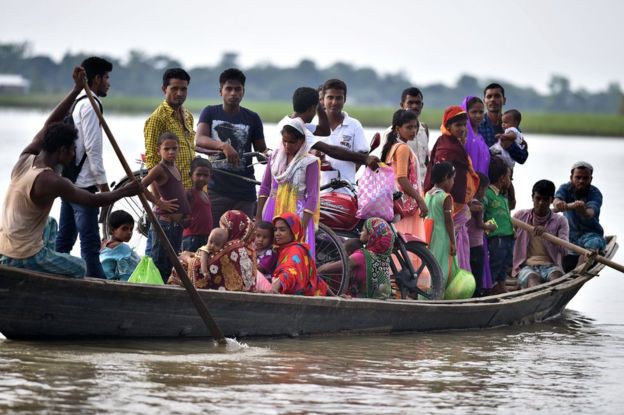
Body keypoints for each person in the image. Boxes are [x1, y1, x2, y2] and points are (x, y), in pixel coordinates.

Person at [0, 67, 141, 277]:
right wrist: (125, 191)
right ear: (62, 150)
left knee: (51, 223)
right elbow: (93, 201)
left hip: (6, 244)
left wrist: (76, 90)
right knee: (80, 267)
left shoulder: (26, 158)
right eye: (73, 150)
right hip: (23, 255)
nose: (74, 155)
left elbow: (50, 124)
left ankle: (46, 266)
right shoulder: (51, 180)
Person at [55, 57, 113, 279]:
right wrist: (104, 187)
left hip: (69, 182)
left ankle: (56, 283)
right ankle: (99, 290)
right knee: (90, 245)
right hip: (83, 186)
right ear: (96, 79)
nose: (108, 83)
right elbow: (92, 149)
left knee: (64, 240)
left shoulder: (78, 101)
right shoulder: (90, 103)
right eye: (106, 78)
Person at [195, 68, 267, 223]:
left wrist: (271, 154)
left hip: (245, 191)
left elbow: (262, 152)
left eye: (237, 89)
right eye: (229, 89)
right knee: (212, 237)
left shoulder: (253, 118)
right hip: (216, 188)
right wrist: (223, 146)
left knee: (243, 239)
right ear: (221, 91)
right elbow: (200, 139)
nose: (233, 93)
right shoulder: (210, 112)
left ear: (243, 92)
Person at [276, 86, 379, 181]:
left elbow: (324, 131)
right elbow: (330, 150)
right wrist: (365, 159)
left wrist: (320, 107)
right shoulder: (296, 129)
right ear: (312, 108)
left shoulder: (293, 123)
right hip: (286, 182)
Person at [424, 106, 479, 272]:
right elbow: (442, 176)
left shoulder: (451, 142)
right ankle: (453, 278)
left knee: (460, 240)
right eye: (458, 125)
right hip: (452, 204)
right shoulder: (446, 148)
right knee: (453, 243)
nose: (462, 129)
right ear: (448, 127)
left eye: (464, 125)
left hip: (457, 201)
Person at [256, 118, 320, 254]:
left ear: (302, 141)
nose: (287, 145)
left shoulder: (309, 162)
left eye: (292, 142)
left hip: (297, 214)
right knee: (268, 253)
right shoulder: (274, 158)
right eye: (284, 141)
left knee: (295, 254)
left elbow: (313, 196)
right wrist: (258, 217)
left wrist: (302, 226)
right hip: (272, 209)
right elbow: (265, 188)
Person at [141, 132, 190, 282]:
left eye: (174, 148)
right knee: (159, 262)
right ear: (158, 150)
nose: (171, 152)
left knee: (172, 262)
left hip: (176, 225)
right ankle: (155, 291)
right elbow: (140, 186)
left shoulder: (175, 167)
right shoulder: (159, 169)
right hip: (165, 224)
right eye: (167, 149)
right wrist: (159, 203)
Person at [171, 210, 257, 291]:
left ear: (230, 227)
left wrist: (187, 258)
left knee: (181, 264)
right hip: (244, 294)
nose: (222, 230)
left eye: (223, 227)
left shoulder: (233, 247)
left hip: (223, 297)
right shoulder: (249, 247)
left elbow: (203, 267)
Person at [310, 79, 369, 193]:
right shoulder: (312, 124)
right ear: (323, 99)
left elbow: (363, 155)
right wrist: (312, 153)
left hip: (346, 192)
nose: (334, 102)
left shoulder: (354, 125)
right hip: (316, 193)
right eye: (330, 97)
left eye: (338, 98)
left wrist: (347, 176)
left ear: (345, 99)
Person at [144, 68, 196, 190]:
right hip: (171, 190)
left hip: (190, 186)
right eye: (174, 89)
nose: (179, 93)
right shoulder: (157, 119)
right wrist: (158, 202)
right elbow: (152, 162)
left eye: (183, 89)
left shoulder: (188, 116)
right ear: (164, 89)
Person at [478, 83, 527, 210]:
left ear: (503, 100)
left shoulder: (512, 127)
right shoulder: (477, 125)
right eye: (489, 96)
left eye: (497, 96)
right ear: (484, 101)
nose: (493, 99)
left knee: (501, 227)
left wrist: (510, 145)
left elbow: (523, 157)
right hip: (480, 185)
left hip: (503, 186)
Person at [381, 109, 428, 240]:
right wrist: (420, 200)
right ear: (397, 129)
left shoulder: (393, 147)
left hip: (396, 204)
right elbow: (401, 178)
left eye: (415, 127)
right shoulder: (402, 148)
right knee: (409, 247)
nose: (413, 131)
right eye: (409, 127)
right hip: (406, 206)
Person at [513, 180, 569, 288]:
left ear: (551, 200)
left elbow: (565, 250)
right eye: (538, 198)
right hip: (526, 267)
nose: (541, 203)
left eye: (545, 199)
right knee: (533, 279)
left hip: (551, 266)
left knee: (557, 279)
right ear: (532, 197)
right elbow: (506, 235)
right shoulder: (520, 216)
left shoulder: (561, 221)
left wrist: (548, 235)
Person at [553, 161, 606, 258]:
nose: (581, 181)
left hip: (591, 235)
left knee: (593, 245)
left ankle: (579, 270)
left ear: (591, 179)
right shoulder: (565, 188)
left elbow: (590, 213)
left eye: (585, 178)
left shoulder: (595, 193)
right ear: (571, 178)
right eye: (578, 177)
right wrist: (558, 203)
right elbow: (556, 199)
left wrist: (583, 211)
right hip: (569, 235)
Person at [381, 87, 430, 186]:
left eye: (418, 103)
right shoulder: (392, 132)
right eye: (410, 102)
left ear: (422, 105)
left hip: (422, 186)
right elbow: (386, 165)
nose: (414, 106)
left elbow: (425, 161)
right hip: (404, 188)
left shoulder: (424, 129)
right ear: (402, 105)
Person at [271, 212, 328, 296]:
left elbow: (290, 270)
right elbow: (315, 277)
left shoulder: (295, 250)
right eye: (275, 230)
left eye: (282, 230)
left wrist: (275, 286)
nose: (277, 233)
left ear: (294, 231)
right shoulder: (282, 249)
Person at [483, 157, 514, 294]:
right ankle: (490, 289)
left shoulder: (502, 196)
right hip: (497, 237)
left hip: (508, 236)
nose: (510, 180)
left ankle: (501, 286)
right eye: (509, 176)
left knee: (504, 265)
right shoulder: (488, 194)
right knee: (495, 264)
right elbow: (482, 213)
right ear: (502, 178)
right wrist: (487, 227)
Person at [425, 161, 456, 289]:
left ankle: (427, 294)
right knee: (441, 265)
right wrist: (453, 242)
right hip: (442, 235)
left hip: (429, 235)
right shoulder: (445, 197)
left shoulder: (427, 194)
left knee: (429, 265)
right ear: (445, 178)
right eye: (452, 179)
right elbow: (449, 221)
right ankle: (439, 294)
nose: (453, 183)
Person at [466, 173, 497, 296]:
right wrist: (491, 226)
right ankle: (477, 295)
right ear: (479, 188)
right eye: (485, 189)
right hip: (476, 245)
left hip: (467, 243)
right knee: (477, 272)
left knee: (470, 270)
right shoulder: (478, 205)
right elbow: (480, 225)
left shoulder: (468, 203)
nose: (485, 192)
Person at [182, 157, 213, 252]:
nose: (202, 178)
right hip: (192, 238)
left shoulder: (206, 195)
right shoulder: (189, 194)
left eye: (205, 175)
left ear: (210, 177)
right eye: (198, 174)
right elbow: (182, 216)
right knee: (190, 264)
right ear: (191, 175)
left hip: (206, 237)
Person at [100, 210, 140, 281]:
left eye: (131, 229)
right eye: (124, 229)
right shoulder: (124, 249)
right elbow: (127, 277)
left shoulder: (102, 245)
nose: (129, 233)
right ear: (112, 230)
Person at [460, 96, 490, 175]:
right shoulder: (462, 135)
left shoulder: (481, 137)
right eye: (474, 112)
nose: (478, 115)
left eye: (481, 112)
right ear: (466, 112)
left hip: (482, 184)